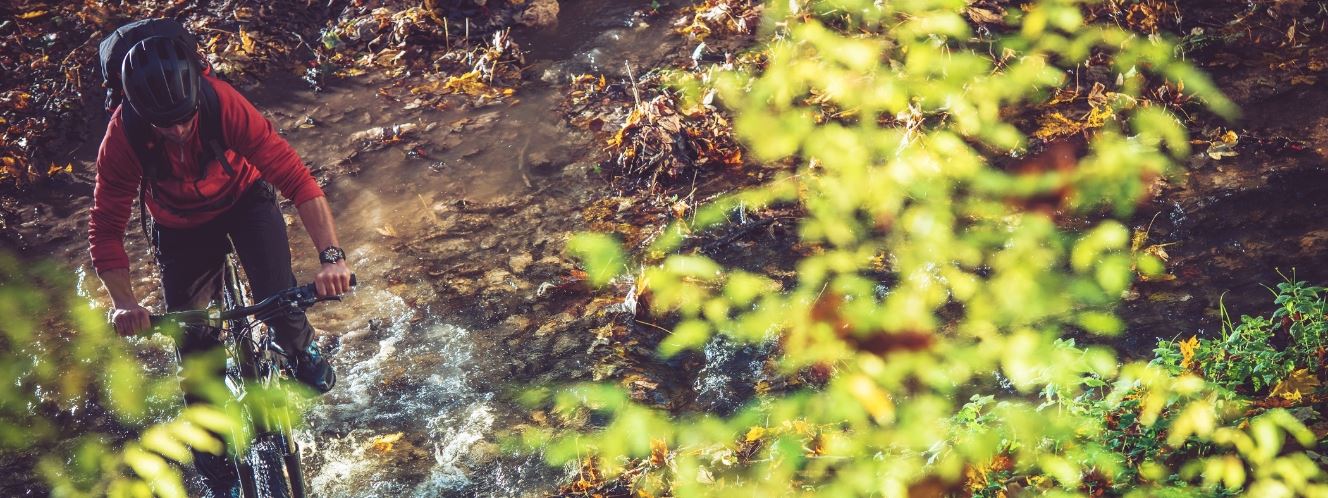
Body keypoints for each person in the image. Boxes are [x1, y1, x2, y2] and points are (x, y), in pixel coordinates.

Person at [86, 35, 350, 494]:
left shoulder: (222, 103)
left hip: (246, 201)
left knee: (277, 299)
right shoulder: (123, 135)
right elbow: (106, 226)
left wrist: (331, 258)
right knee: (195, 349)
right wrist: (125, 303)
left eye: (185, 119)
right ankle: (213, 453)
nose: (178, 132)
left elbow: (295, 178)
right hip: (178, 224)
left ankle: (301, 347)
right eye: (163, 125)